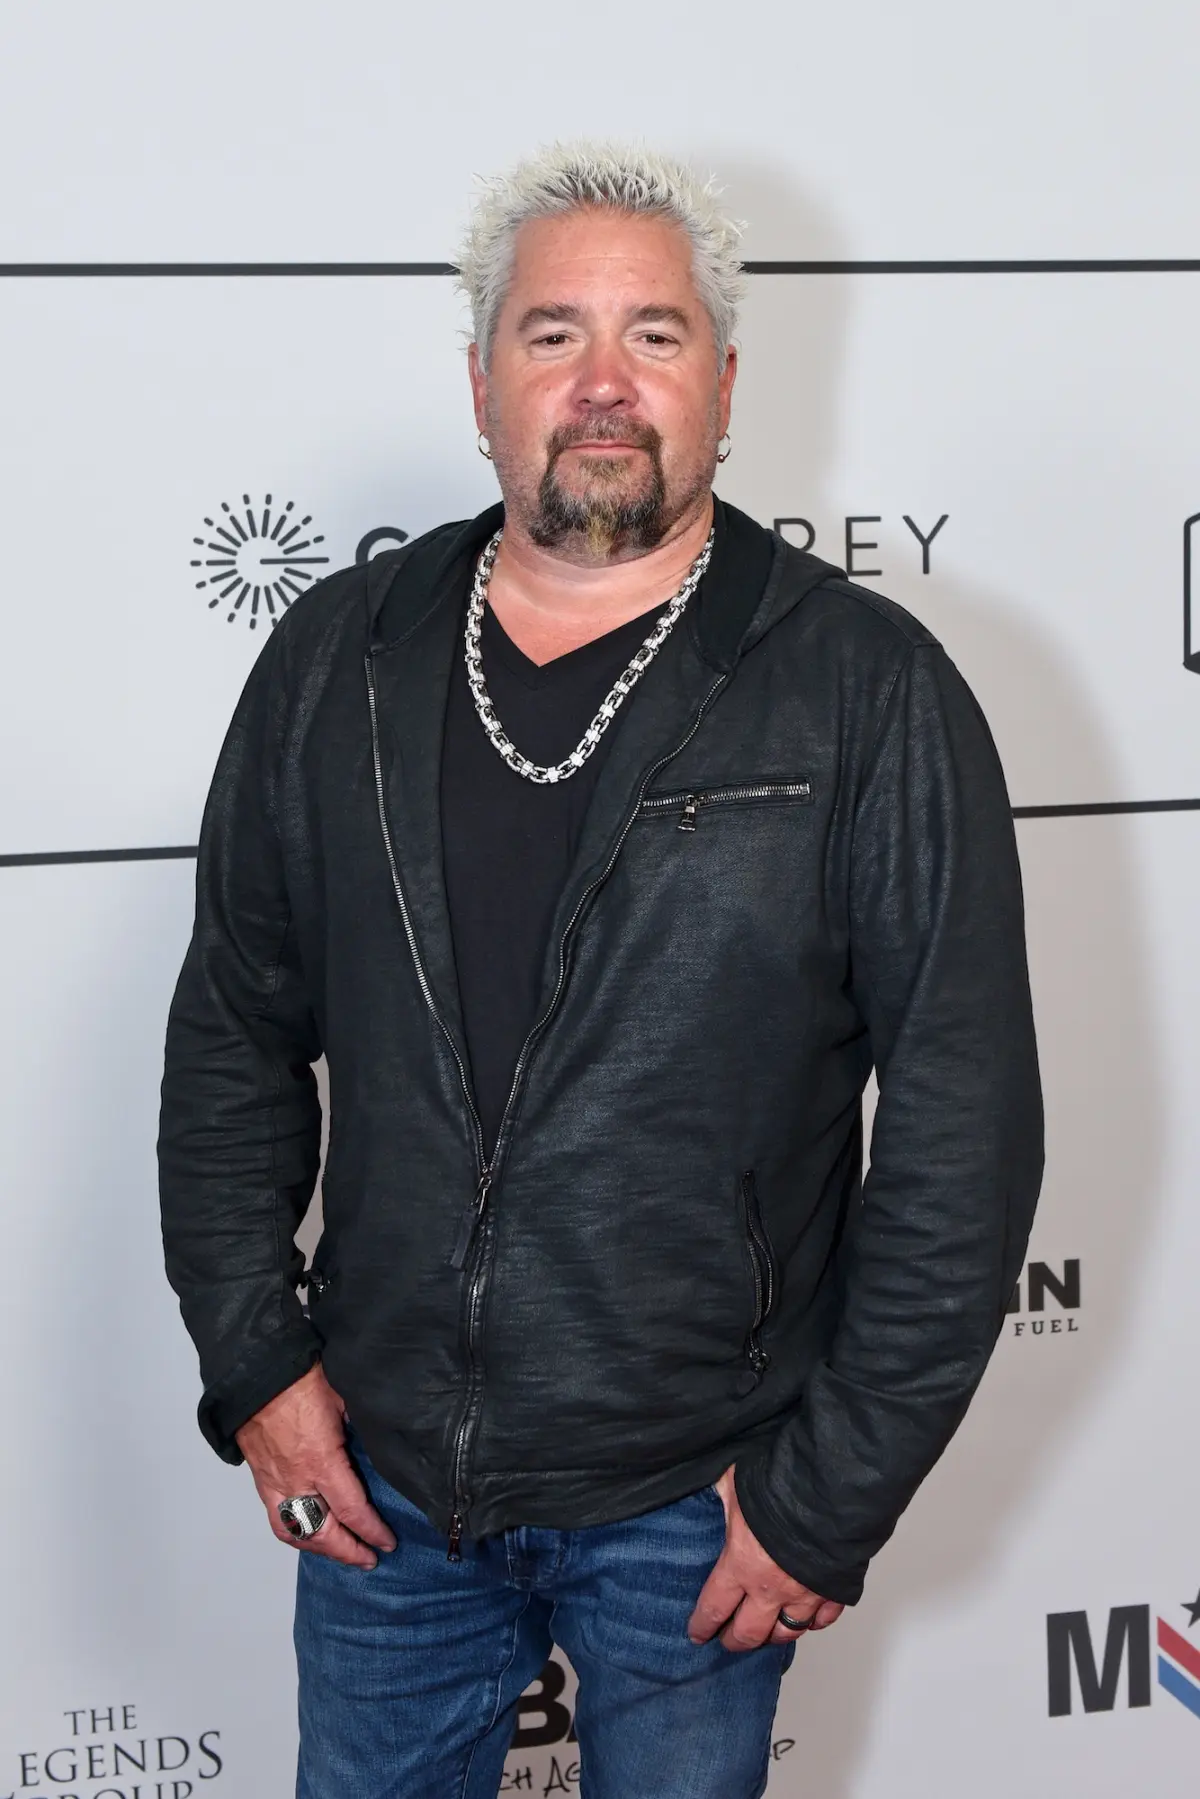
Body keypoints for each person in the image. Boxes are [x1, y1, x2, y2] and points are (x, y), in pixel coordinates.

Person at [157, 141, 1043, 1799]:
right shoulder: (337, 659)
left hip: (698, 1503)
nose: (605, 382)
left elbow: (962, 1127)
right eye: (553, 332)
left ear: (725, 382)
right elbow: (231, 1037)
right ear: (482, 381)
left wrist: (828, 1496)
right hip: (385, 1490)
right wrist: (259, 1366)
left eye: (655, 332)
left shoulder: (868, 689)